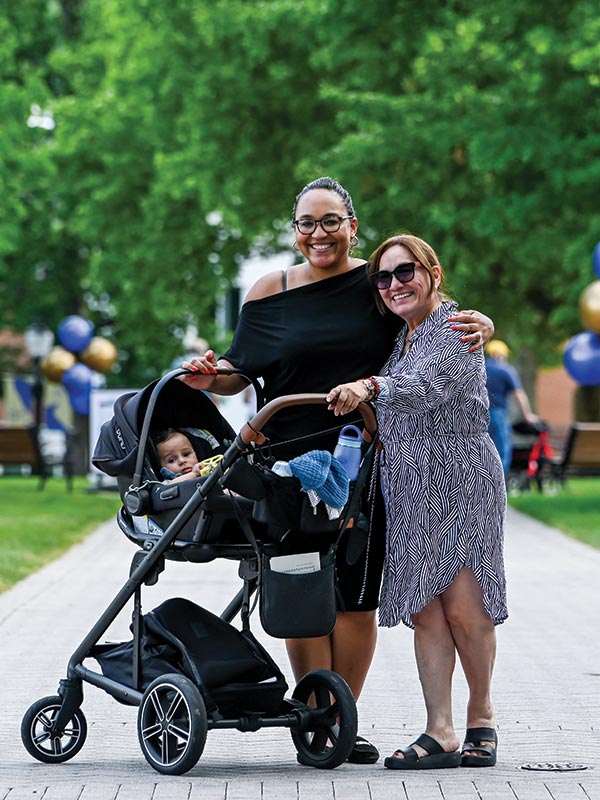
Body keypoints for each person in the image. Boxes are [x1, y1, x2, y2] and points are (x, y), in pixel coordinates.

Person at [181, 177, 494, 765]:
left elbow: (427, 327)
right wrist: (209, 376)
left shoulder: (375, 284)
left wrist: (484, 325)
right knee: (300, 587)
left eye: (330, 221)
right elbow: (238, 369)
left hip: (365, 462)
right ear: (294, 230)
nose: (318, 233)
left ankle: (340, 719)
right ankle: (316, 721)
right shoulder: (269, 290)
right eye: (306, 223)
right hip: (286, 465)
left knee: (354, 595)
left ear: (352, 225)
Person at [326, 233, 507, 770]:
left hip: (461, 482)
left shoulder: (454, 328)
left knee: (465, 608)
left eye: (405, 272)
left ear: (433, 273)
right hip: (407, 488)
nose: (394, 284)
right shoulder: (401, 337)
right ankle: (440, 730)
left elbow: (425, 386)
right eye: (383, 277)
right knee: (425, 608)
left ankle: (481, 716)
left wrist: (370, 387)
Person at [485, 339, 539, 476]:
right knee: (502, 450)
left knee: (484, 450)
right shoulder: (506, 370)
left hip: (479, 415)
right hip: (498, 414)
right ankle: (499, 483)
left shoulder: (481, 368)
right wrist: (528, 415)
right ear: (502, 355)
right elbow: (519, 395)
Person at [154, 428, 221, 483]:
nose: (182, 461)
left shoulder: (207, 469)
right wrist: (194, 474)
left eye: (186, 454)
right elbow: (169, 487)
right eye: (171, 460)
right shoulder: (168, 483)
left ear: (195, 453)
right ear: (161, 466)